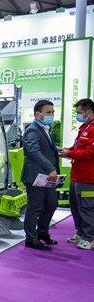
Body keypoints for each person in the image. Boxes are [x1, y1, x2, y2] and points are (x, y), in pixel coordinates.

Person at [21, 100, 60, 250]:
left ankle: (42, 233)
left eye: (53, 112)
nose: (52, 115)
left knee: (51, 203)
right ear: (38, 114)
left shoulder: (44, 128)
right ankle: (31, 239)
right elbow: (33, 151)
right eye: (48, 112)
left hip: (46, 176)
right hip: (35, 176)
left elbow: (44, 149)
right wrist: (50, 168)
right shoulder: (33, 130)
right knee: (35, 207)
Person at [59, 98, 94, 250]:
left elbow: (90, 152)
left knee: (87, 208)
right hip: (77, 175)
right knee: (75, 206)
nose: (78, 115)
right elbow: (78, 148)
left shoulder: (93, 129)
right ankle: (81, 233)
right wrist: (67, 151)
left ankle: (90, 238)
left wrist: (70, 153)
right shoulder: (84, 127)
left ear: (89, 112)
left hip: (88, 178)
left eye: (79, 112)